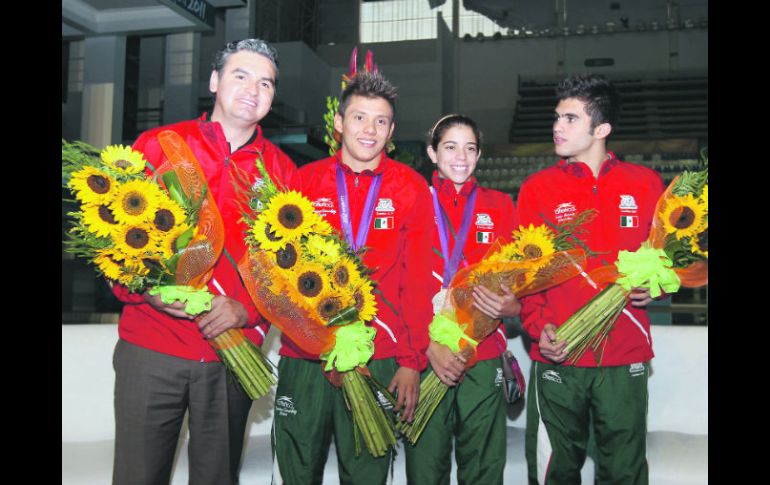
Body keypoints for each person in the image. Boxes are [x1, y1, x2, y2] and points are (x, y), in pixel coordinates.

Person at [110, 39, 301, 485]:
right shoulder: (160, 145)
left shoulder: (280, 173)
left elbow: (288, 273)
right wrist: (147, 291)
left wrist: (247, 311)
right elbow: (114, 242)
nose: (253, 89)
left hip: (230, 356)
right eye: (240, 75)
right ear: (215, 82)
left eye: (266, 82)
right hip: (151, 347)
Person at [271, 70, 434, 485]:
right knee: (295, 470)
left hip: (376, 355)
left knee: (367, 471)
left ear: (392, 131)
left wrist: (411, 362)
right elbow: (280, 272)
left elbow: (416, 283)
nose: (370, 130)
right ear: (340, 123)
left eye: (381, 121)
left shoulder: (411, 188)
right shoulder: (304, 184)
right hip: (306, 353)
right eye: (359, 118)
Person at [518, 73, 665, 485]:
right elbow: (526, 275)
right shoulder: (537, 189)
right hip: (558, 353)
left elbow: (667, 261)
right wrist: (536, 328)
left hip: (624, 354)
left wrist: (654, 286)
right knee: (555, 473)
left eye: (569, 118)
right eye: (556, 117)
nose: (556, 126)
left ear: (601, 129)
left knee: (624, 471)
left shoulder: (646, 184)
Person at [403, 114, 522, 485]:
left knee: (484, 469)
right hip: (428, 355)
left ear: (479, 154)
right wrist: (426, 347)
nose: (460, 157)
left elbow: (519, 281)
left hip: (482, 354)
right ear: (432, 153)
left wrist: (513, 305)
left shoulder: (501, 205)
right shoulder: (412, 202)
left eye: (470, 148)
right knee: (425, 468)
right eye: (450, 147)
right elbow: (400, 286)